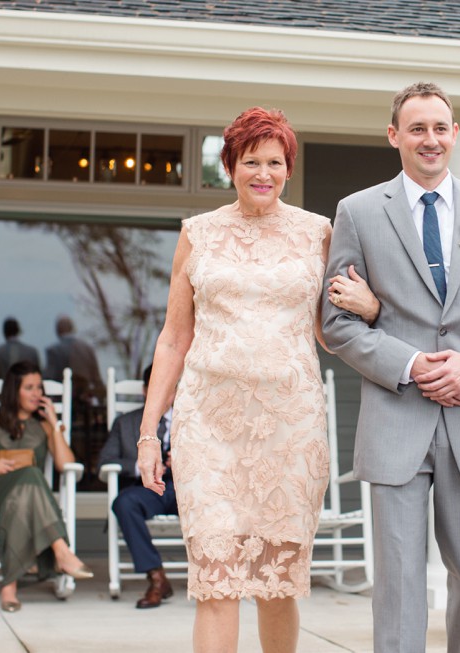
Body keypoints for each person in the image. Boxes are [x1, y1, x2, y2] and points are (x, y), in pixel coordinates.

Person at [136, 107, 375, 653]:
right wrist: (151, 432)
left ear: (288, 168)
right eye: (250, 161)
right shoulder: (197, 234)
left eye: (274, 161)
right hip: (208, 426)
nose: (262, 173)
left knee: (275, 582)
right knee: (216, 580)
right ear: (231, 166)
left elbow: (331, 331)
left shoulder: (318, 233)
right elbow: (174, 339)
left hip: (289, 430)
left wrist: (372, 307)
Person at [322, 82, 460, 653]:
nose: (430, 139)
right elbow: (337, 322)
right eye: (417, 128)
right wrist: (414, 363)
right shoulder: (359, 211)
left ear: (455, 134)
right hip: (396, 421)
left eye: (440, 128)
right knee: (398, 587)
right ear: (394, 135)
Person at [0, 361, 93, 613]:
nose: (37, 393)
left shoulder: (43, 426)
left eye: (39, 387)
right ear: (13, 390)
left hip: (24, 502)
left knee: (24, 492)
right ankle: (61, 550)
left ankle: (9, 587)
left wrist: (54, 423)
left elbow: (67, 465)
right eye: (29, 387)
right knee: (30, 475)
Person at [98, 363, 177, 609]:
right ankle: (156, 578)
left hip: (184, 490)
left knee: (214, 498)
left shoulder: (194, 422)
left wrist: (186, 460)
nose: (165, 394)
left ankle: (212, 575)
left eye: (170, 388)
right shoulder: (126, 423)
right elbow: (105, 461)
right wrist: (141, 465)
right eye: (157, 388)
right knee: (123, 502)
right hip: (147, 489)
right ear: (146, 391)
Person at [44, 315, 105, 403]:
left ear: (57, 331)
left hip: (62, 400)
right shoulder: (87, 348)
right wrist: (102, 401)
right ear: (72, 328)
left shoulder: (53, 350)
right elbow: (97, 378)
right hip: (85, 401)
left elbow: (49, 378)